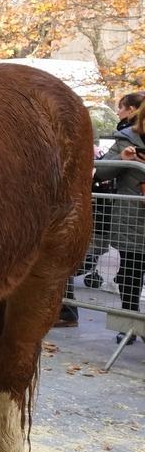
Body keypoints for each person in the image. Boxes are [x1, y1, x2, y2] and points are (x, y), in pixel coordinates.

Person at [92, 99, 145, 343]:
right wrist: (123, 159)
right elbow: (100, 171)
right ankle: (128, 324)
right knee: (129, 275)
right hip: (132, 219)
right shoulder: (127, 139)